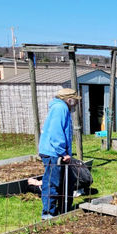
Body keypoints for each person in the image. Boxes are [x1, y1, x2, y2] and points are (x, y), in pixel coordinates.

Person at [38, 88, 81, 219]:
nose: (76, 104)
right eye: (75, 101)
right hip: (53, 153)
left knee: (64, 182)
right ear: (69, 100)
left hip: (57, 152)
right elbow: (56, 133)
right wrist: (63, 153)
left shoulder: (61, 108)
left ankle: (63, 209)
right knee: (52, 182)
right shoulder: (60, 109)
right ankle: (48, 213)